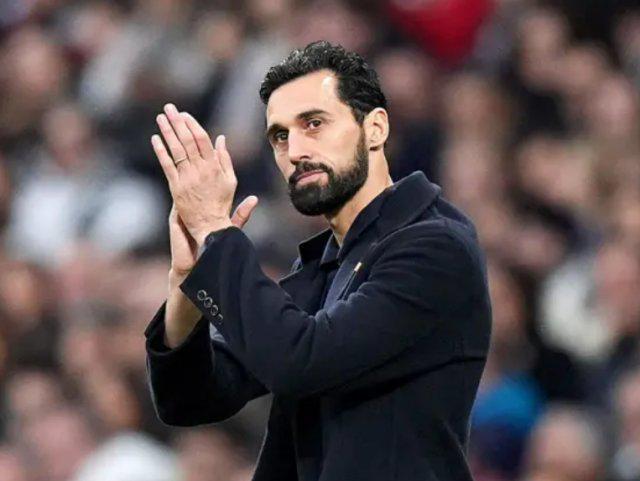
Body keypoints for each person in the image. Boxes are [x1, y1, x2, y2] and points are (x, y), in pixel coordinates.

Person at [144, 41, 492, 481]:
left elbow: (298, 362)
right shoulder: (323, 268)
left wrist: (216, 230)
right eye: (280, 136)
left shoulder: (434, 247)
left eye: (314, 124)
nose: (294, 151)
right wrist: (187, 283)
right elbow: (189, 400)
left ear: (375, 128)